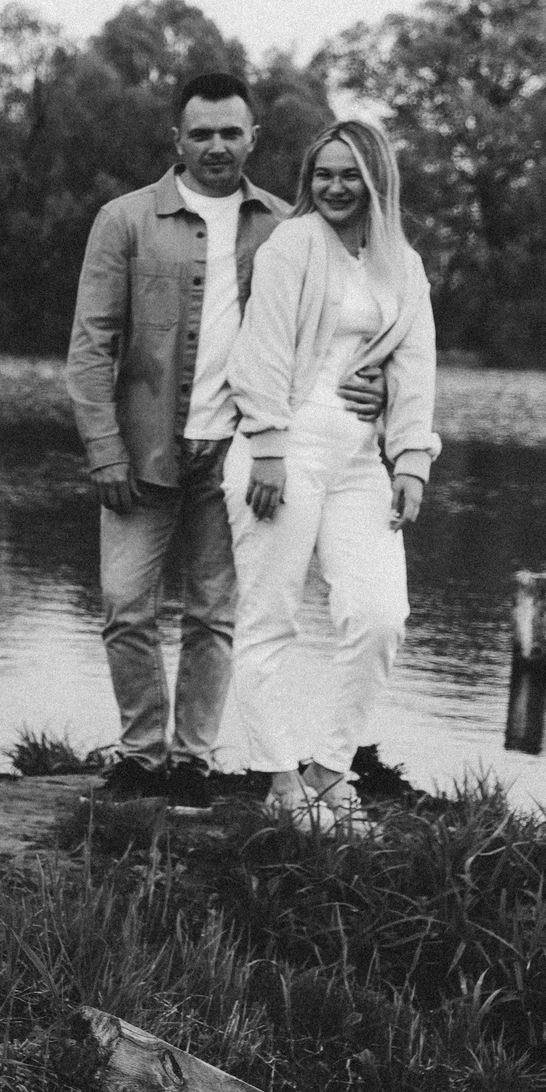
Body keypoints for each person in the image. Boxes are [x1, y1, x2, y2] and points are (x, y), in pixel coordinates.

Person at [66, 72, 382, 807]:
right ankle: (142, 755)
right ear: (176, 138)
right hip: (142, 450)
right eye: (200, 132)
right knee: (125, 602)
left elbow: (347, 327)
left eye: (229, 132)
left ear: (253, 139)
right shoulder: (125, 220)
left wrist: (383, 389)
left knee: (215, 612)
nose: (215, 145)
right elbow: (90, 347)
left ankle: (192, 763)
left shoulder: (287, 227)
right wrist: (103, 447)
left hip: (243, 452)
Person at [224, 120, 437, 829]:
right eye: (324, 173)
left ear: (378, 181)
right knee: (269, 612)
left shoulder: (400, 263)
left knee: (381, 615)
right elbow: (262, 348)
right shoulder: (293, 242)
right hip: (280, 449)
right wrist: (269, 444)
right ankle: (281, 778)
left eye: (351, 175)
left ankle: (327, 768)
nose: (336, 187)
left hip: (358, 461)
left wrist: (410, 460)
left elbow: (415, 367)